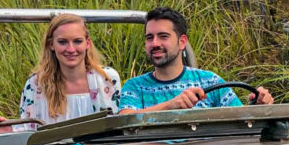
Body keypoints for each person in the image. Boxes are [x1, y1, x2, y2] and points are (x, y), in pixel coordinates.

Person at [118, 7, 273, 111]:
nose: (155, 43)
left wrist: (258, 105)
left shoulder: (210, 81)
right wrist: (171, 105)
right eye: (149, 38)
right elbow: (124, 122)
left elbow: (241, 119)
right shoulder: (135, 87)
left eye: (163, 36)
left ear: (182, 42)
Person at [20, 14, 121, 124]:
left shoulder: (107, 78)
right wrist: (8, 127)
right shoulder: (35, 84)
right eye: (62, 42)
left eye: (77, 41)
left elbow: (118, 126)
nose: (71, 49)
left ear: (87, 43)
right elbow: (25, 130)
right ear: (51, 45)